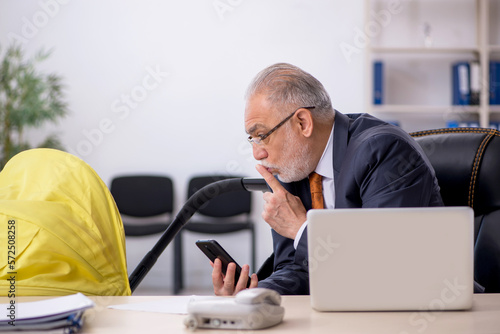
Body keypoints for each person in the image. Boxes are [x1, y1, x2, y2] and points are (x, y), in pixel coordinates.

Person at [211, 63, 443, 296]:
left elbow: (383, 267)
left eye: (262, 136)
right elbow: (297, 270)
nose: (257, 154)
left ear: (303, 123)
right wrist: (253, 295)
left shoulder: (385, 151)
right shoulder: (292, 168)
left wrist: (301, 228)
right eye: (252, 139)